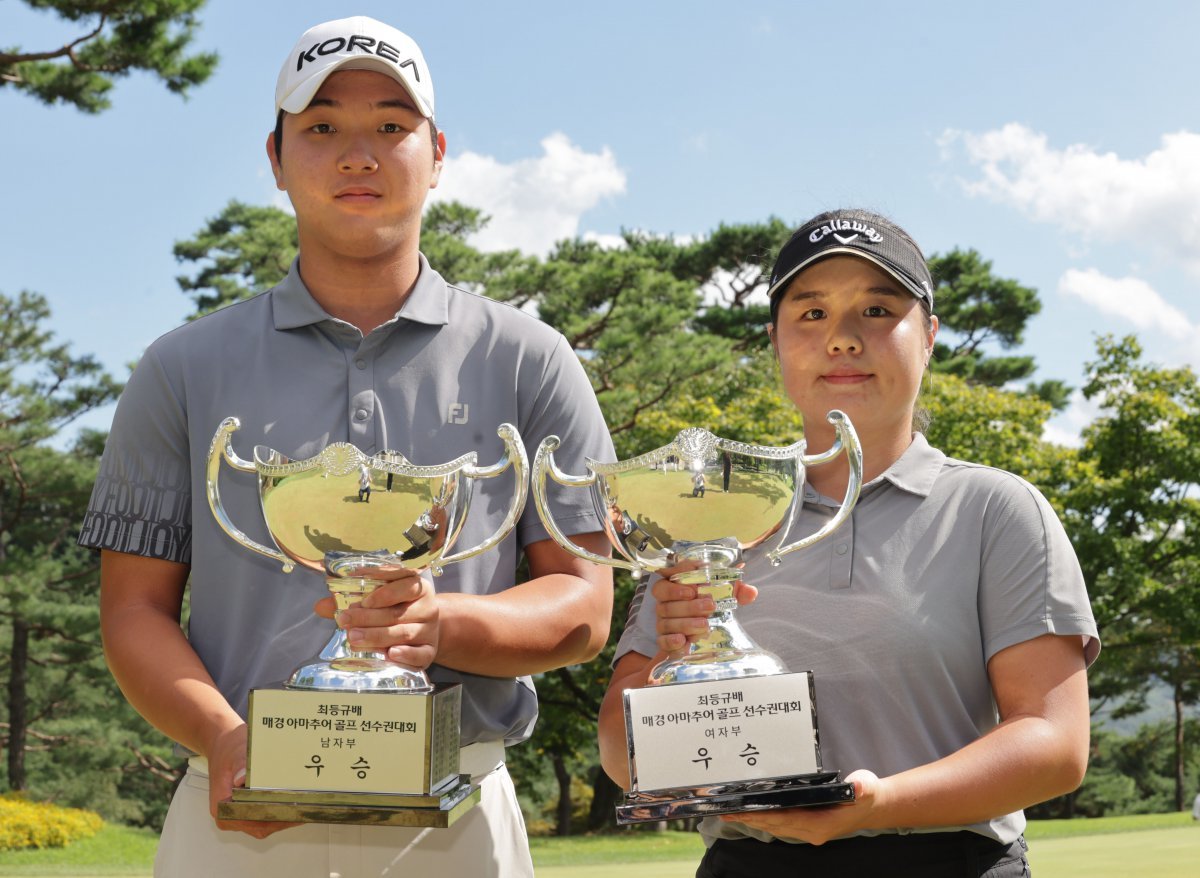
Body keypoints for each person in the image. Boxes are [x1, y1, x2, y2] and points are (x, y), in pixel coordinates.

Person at [80, 16, 614, 878]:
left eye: (391, 127)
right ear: (276, 158)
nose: (358, 154)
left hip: (460, 809)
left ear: (437, 153)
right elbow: (133, 611)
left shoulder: (529, 358)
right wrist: (220, 736)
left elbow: (584, 608)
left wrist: (439, 624)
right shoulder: (180, 367)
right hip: (237, 808)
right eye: (321, 126)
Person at [598, 208, 1100, 877]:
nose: (841, 339)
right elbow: (619, 751)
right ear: (774, 339)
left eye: (877, 310)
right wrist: (670, 666)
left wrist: (879, 803)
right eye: (811, 313)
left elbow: (1054, 744)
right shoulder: (706, 512)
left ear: (929, 337)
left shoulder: (996, 509)